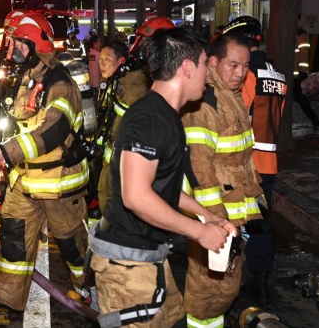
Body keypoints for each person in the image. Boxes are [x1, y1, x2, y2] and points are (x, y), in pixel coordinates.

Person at [89, 27, 236, 328]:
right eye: (206, 63)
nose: (210, 74)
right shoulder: (150, 119)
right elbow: (136, 196)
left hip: (150, 260)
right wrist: (200, 234)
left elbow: (161, 186)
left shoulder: (166, 115)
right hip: (127, 268)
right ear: (186, 67)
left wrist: (206, 216)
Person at [0, 12, 90, 313]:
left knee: (72, 246)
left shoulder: (60, 83)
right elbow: (18, 122)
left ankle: (89, 289)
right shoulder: (28, 78)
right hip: (26, 180)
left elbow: (54, 129)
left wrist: (10, 150)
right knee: (13, 239)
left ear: (33, 43)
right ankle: (7, 298)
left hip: (59, 182)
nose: (11, 49)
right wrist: (0, 146)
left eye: (16, 42)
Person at [181, 32, 265, 328]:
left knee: (222, 288)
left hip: (229, 216)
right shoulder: (208, 102)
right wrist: (215, 221)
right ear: (213, 62)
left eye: (245, 66)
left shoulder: (228, 97)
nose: (241, 73)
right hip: (217, 217)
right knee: (210, 290)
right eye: (233, 65)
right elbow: (198, 168)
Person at [225, 16, 286, 304]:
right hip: (269, 163)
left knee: (231, 220)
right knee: (261, 224)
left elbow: (236, 116)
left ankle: (227, 281)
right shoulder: (278, 75)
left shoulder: (247, 75)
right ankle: (261, 282)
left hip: (246, 163)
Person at [94, 17, 176, 214]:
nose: (138, 48)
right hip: (115, 160)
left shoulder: (142, 80)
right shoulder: (130, 76)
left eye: (145, 42)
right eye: (139, 40)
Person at [294, 28, 319, 128]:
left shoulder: (299, 33)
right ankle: (314, 119)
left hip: (294, 74)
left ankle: (314, 119)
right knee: (300, 98)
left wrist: (302, 72)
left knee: (300, 98)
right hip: (294, 74)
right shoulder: (299, 32)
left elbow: (304, 53)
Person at [88, 35, 102, 102]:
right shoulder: (99, 54)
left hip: (92, 81)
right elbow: (101, 68)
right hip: (98, 81)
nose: (100, 43)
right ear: (94, 43)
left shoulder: (91, 53)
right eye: (99, 42)